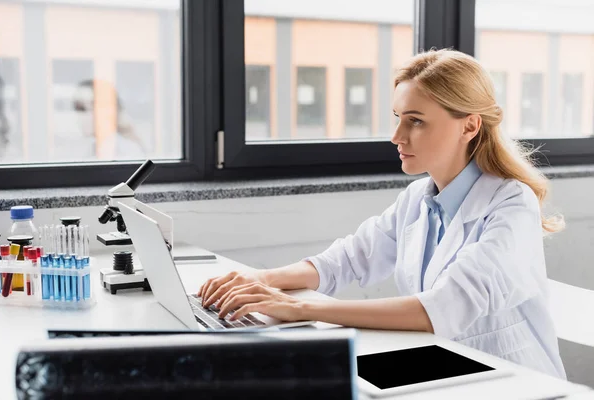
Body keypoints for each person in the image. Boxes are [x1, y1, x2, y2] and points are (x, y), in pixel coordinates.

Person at [197, 49, 566, 379]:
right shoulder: (418, 199)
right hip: (444, 369)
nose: (396, 136)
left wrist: (298, 308)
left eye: (416, 121)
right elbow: (344, 261)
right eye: (397, 117)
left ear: (469, 125)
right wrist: (259, 279)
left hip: (512, 382)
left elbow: (439, 310)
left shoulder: (511, 204)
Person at [72, 79, 147, 160]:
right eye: (77, 107)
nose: (79, 115)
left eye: (82, 108)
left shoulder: (128, 153)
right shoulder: (90, 150)